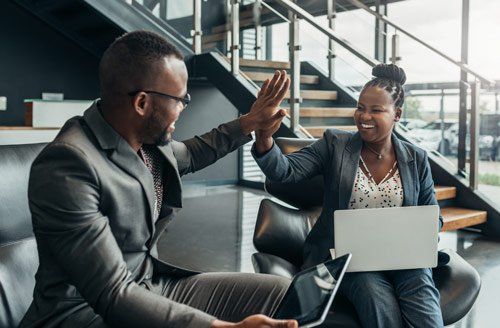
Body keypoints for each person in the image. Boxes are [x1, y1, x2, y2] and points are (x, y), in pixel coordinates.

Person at [20, 31, 296, 328]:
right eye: (181, 99)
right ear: (142, 103)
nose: (183, 108)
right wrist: (217, 327)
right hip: (86, 313)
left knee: (283, 294)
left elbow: (191, 153)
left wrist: (250, 123)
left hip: (150, 286)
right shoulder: (68, 165)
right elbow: (112, 292)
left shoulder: (146, 140)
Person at [252, 64, 444, 327]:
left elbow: (432, 216)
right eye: (360, 107)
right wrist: (264, 138)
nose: (364, 116)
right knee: (377, 299)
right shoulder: (336, 145)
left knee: (423, 297)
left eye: (376, 110)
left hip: (401, 256)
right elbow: (285, 171)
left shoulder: (416, 158)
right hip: (348, 258)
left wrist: (423, 235)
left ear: (397, 114)